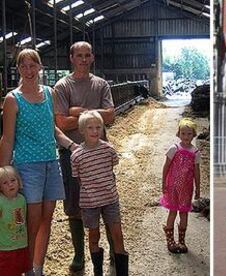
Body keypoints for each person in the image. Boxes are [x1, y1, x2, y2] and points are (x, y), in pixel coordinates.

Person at [0, 48, 76, 276]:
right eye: (23, 66)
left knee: (48, 216)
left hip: (51, 163)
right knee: (31, 221)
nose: (28, 70)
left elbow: (52, 128)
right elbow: (8, 138)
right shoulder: (13, 99)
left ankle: (38, 267)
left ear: (40, 67)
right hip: (27, 166)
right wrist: (3, 173)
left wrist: (72, 146)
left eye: (33, 65)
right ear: (18, 69)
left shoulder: (49, 93)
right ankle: (26, 269)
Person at [53, 41, 115, 271]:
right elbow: (61, 122)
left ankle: (112, 248)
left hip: (100, 153)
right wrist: (95, 116)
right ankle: (79, 254)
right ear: (71, 58)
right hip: (72, 153)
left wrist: (78, 113)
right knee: (73, 203)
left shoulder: (101, 84)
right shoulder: (62, 85)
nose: (83, 59)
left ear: (92, 57)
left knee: (107, 199)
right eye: (79, 55)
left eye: (87, 55)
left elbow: (110, 116)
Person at [71, 111, 128, 275]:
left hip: (110, 199)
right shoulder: (76, 156)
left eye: (98, 127)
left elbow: (111, 169)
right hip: (89, 203)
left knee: (117, 233)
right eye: (90, 128)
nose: (95, 131)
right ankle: (98, 271)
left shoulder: (109, 150)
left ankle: (122, 271)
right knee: (93, 235)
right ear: (82, 130)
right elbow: (79, 179)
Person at [160, 118, 201, 254]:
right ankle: (170, 240)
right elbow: (166, 167)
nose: (186, 137)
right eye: (183, 133)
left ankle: (181, 241)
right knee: (173, 212)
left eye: (189, 134)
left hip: (187, 188)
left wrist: (198, 188)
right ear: (178, 134)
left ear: (194, 135)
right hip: (172, 187)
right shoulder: (174, 149)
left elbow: (196, 171)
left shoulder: (195, 152)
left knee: (184, 213)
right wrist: (163, 183)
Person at [0, 166, 31, 275]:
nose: (10, 184)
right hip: (4, 247)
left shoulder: (22, 199)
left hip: (21, 244)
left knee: (18, 270)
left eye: (13, 180)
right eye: (5, 183)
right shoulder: (1, 201)